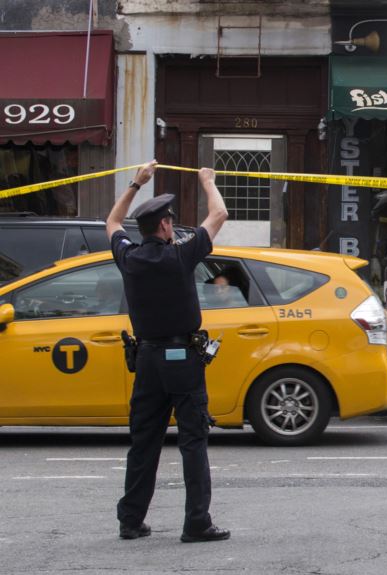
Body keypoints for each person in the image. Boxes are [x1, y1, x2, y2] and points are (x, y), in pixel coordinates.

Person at [107, 160, 230, 542]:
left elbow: (112, 222)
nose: (173, 227)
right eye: (171, 222)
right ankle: (197, 523)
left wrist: (135, 183)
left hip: (147, 361)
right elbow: (219, 214)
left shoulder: (129, 258)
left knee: (144, 443)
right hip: (182, 361)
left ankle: (131, 520)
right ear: (163, 226)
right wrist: (208, 181)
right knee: (192, 441)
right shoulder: (181, 256)